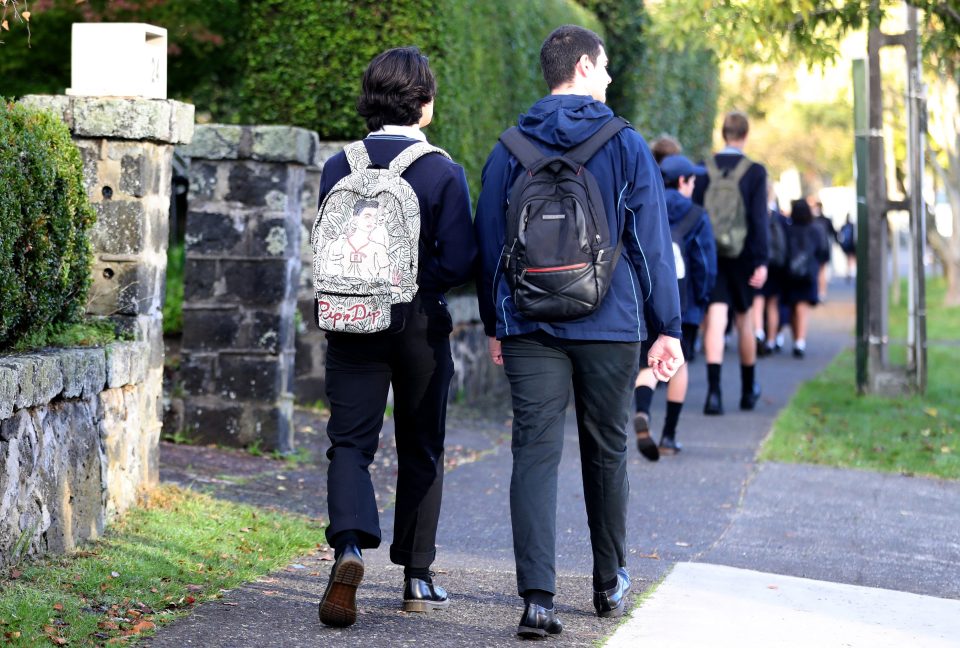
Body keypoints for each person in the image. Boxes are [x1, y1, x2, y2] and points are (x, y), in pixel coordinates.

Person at [474, 25, 683, 638]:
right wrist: (664, 327)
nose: (612, 77)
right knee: (607, 447)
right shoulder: (625, 144)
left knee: (534, 451)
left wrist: (496, 322)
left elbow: (491, 244)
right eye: (607, 66)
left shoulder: (509, 147)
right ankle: (608, 580)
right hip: (610, 321)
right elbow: (651, 242)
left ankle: (537, 600)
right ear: (586, 66)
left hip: (529, 323)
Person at [316, 46, 477, 628]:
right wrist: (415, 280)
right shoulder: (441, 170)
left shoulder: (339, 166)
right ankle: (416, 577)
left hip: (352, 320)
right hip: (417, 325)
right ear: (424, 104)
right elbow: (460, 259)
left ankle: (349, 550)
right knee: (421, 445)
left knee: (350, 444)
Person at [633, 154, 717, 456]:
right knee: (677, 364)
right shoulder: (696, 215)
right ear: (683, 181)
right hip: (683, 301)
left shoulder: (644, 204)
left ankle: (642, 411)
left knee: (648, 363)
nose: (693, 186)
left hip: (645, 297)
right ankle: (668, 436)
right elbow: (705, 264)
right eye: (692, 180)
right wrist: (701, 299)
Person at [692, 111, 768, 415]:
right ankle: (748, 390)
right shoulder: (755, 172)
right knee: (744, 321)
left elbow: (695, 215)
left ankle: (714, 393)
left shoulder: (702, 169)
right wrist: (761, 260)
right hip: (743, 256)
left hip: (710, 254)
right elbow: (759, 219)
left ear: (722, 134)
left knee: (715, 318)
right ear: (745, 135)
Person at [783, 198, 830, 357]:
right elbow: (821, 254)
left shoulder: (788, 230)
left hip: (790, 275)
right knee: (802, 309)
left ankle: (796, 338)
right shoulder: (815, 230)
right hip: (808, 275)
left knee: (793, 309)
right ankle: (800, 341)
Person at [811, 197, 835, 300]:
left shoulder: (812, 220)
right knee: (822, 271)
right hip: (824, 249)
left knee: (818, 271)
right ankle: (822, 292)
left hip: (815, 249)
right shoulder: (826, 220)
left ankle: (819, 291)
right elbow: (833, 233)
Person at [837, 214, 857, 281]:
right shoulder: (853, 226)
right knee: (852, 258)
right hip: (852, 246)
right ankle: (851, 272)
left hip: (847, 246)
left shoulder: (844, 226)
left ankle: (849, 272)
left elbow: (839, 236)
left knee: (849, 259)